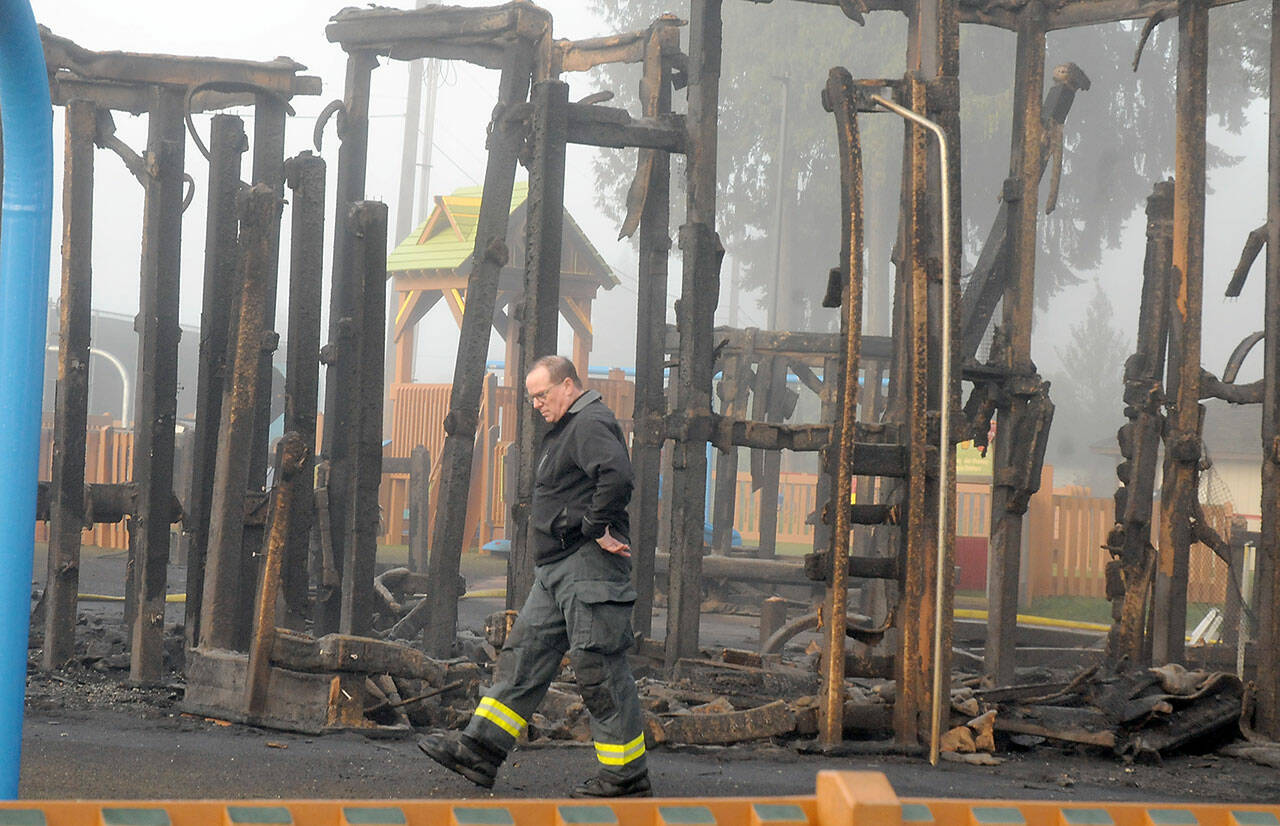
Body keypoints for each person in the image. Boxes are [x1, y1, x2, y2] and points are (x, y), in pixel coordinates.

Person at [419, 355, 651, 798]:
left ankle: (626, 776)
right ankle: (480, 751)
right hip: (557, 570)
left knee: (597, 667)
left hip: (588, 567)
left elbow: (618, 476)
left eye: (542, 395)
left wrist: (594, 526)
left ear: (568, 385)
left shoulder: (589, 422)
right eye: (531, 398)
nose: (537, 404)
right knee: (523, 656)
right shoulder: (567, 428)